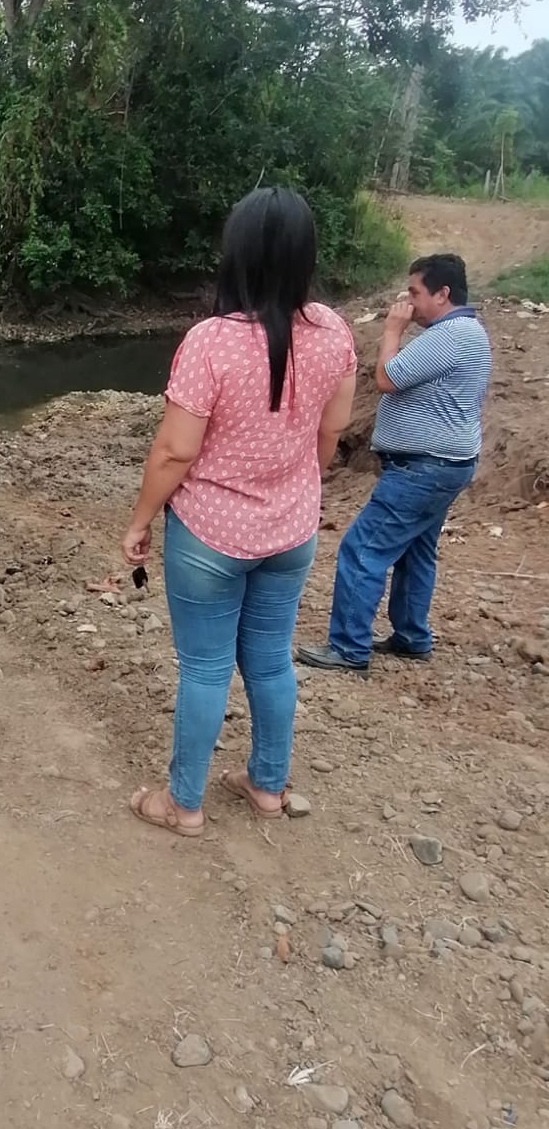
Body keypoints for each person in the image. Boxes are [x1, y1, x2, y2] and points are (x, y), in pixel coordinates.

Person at [120, 187, 357, 838]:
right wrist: (290, 484)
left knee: (205, 668)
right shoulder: (333, 331)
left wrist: (140, 520)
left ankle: (183, 804)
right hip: (292, 531)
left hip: (210, 536)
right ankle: (268, 786)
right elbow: (331, 434)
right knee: (272, 659)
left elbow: (174, 452)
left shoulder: (211, 342)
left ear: (238, 254)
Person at [298, 253, 491, 673]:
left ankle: (348, 648)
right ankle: (411, 636)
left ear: (443, 294)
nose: (409, 302)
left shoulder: (450, 335)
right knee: (416, 552)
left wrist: (391, 331)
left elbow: (387, 378)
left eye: (415, 293)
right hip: (445, 464)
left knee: (362, 550)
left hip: (424, 468)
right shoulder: (467, 332)